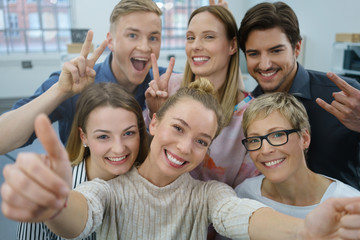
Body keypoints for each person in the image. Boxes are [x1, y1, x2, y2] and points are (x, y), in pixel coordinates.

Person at [3, 78, 360, 240]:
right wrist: (56, 206)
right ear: (154, 122)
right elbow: (80, 217)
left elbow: (241, 217)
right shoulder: (109, 189)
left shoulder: (208, 195)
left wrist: (303, 231)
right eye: (178, 127)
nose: (186, 147)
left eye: (202, 140)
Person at [0, 0, 172, 155]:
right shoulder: (74, 82)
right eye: (132, 35)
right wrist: (60, 91)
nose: (145, 46)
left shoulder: (168, 83)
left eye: (153, 38)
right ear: (110, 41)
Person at [238, 1, 360, 189]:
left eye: (276, 50)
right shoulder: (247, 108)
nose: (265, 64)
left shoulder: (343, 96)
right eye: (254, 54)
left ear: (297, 48)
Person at [16, 82, 148, 240]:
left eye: (129, 133)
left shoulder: (149, 185)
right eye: (103, 137)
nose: (119, 149)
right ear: (83, 136)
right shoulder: (46, 189)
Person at [146, 5, 258, 189]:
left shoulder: (250, 115)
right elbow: (141, 159)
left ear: (232, 45)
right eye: (190, 38)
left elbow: (245, 192)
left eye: (209, 37)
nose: (196, 46)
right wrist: (154, 111)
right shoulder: (167, 87)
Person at [235, 92, 360, 220]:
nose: (265, 150)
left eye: (278, 135)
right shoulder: (243, 195)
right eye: (254, 140)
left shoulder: (351, 205)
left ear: (305, 139)